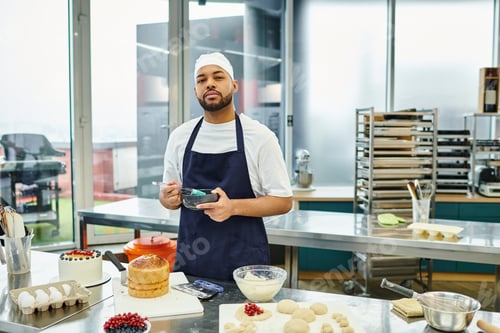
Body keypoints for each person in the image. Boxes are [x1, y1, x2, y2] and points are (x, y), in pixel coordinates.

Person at [159, 52, 293, 281]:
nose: (209, 83)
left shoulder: (260, 137)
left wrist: (232, 207)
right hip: (192, 259)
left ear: (234, 85)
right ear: (195, 91)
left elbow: (283, 201)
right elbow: (169, 196)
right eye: (201, 80)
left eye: (218, 77)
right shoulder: (180, 137)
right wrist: (167, 199)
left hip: (245, 263)